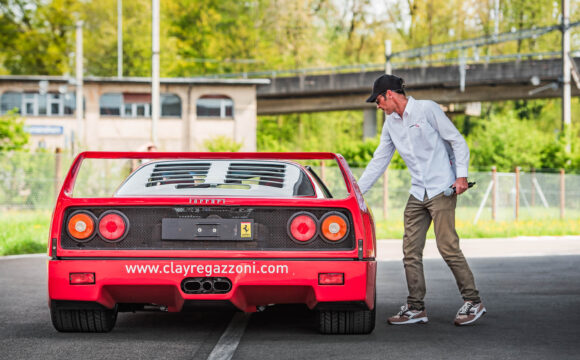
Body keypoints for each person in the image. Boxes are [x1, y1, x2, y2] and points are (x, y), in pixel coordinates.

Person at [358, 74, 486, 326]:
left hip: (442, 188)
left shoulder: (427, 109)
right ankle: (416, 307)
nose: (377, 105)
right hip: (418, 192)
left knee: (447, 246)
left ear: (390, 95)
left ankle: (473, 301)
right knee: (410, 251)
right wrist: (357, 191)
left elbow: (457, 141)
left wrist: (461, 177)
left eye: (378, 100)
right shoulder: (390, 124)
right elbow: (379, 160)